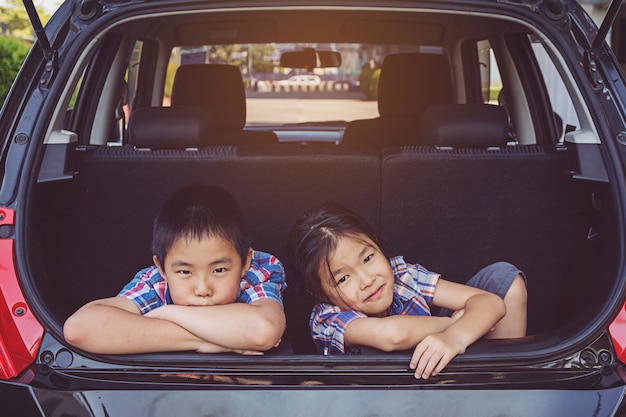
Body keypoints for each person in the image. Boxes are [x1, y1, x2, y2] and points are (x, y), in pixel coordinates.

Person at [288, 203, 527, 379]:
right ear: (319, 294)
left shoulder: (402, 274)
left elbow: (491, 302)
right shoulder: (326, 318)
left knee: (505, 278)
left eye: (368, 258)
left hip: (443, 377)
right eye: (343, 278)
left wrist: (456, 337)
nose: (367, 280)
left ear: (376, 242)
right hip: (377, 400)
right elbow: (393, 334)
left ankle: (501, 385)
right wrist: (462, 322)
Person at [64, 185, 286, 355]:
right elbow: (79, 329)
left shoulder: (257, 272)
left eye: (219, 270)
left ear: (245, 262)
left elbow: (262, 331)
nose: (202, 289)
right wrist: (207, 341)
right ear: (161, 267)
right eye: (185, 272)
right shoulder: (155, 283)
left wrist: (166, 314)